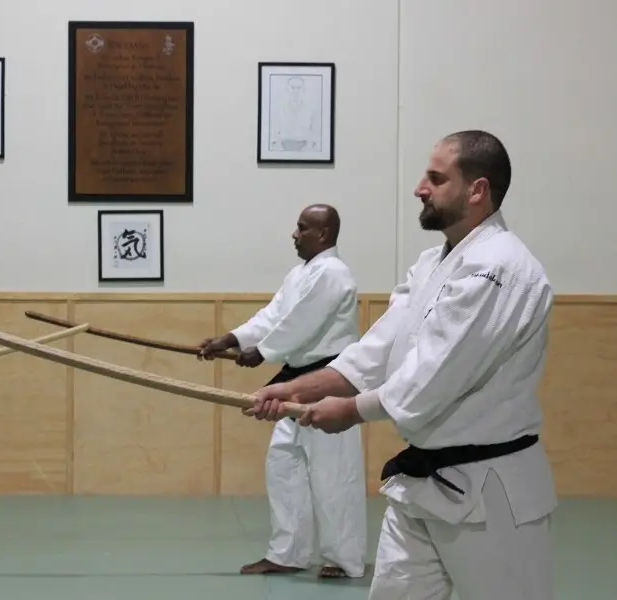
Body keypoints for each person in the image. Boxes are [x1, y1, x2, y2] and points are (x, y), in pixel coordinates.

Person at [245, 130, 557, 599]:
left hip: (490, 494)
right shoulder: (434, 263)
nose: (419, 188)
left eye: (435, 178)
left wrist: (350, 412)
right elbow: (377, 349)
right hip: (420, 490)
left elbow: (435, 377)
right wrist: (296, 389)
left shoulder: (500, 267)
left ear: (477, 190)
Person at [199, 204, 367, 580]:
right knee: (283, 464)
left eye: (302, 228)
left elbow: (302, 323)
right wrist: (231, 338)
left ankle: (343, 558)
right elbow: (274, 316)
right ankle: (288, 552)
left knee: (333, 472)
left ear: (323, 234)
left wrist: (262, 352)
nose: (294, 234)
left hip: (329, 383)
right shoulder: (300, 274)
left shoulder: (334, 273)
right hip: (295, 380)